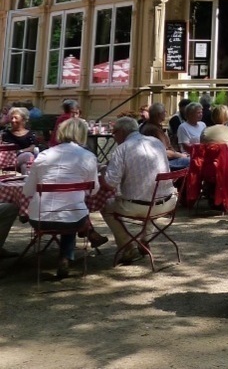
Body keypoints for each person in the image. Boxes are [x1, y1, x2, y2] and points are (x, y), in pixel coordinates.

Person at [22, 117, 101, 279]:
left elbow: (27, 190)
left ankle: (66, 256)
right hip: (74, 219)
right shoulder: (88, 157)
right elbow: (94, 191)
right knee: (72, 211)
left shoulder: (43, 155)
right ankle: (65, 257)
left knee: (69, 209)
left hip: (39, 218)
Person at [100, 116, 177, 265]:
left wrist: (103, 171)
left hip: (140, 206)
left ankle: (128, 246)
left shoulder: (122, 149)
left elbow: (110, 184)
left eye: (114, 133)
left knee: (106, 206)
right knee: (150, 192)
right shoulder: (157, 143)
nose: (114, 137)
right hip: (168, 203)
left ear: (121, 132)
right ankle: (145, 239)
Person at [141, 103, 190, 171]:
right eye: (164, 112)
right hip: (162, 162)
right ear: (159, 114)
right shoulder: (153, 130)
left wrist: (179, 154)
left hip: (164, 159)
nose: (166, 113)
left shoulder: (151, 126)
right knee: (192, 161)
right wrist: (181, 156)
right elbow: (165, 153)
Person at [2, 106, 39, 174]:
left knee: (25, 166)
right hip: (7, 159)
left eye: (16, 118)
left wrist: (20, 151)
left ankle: (26, 181)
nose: (13, 120)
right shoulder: (5, 133)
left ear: (23, 119)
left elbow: (32, 147)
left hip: (20, 158)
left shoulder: (30, 134)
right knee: (28, 156)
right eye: (12, 118)